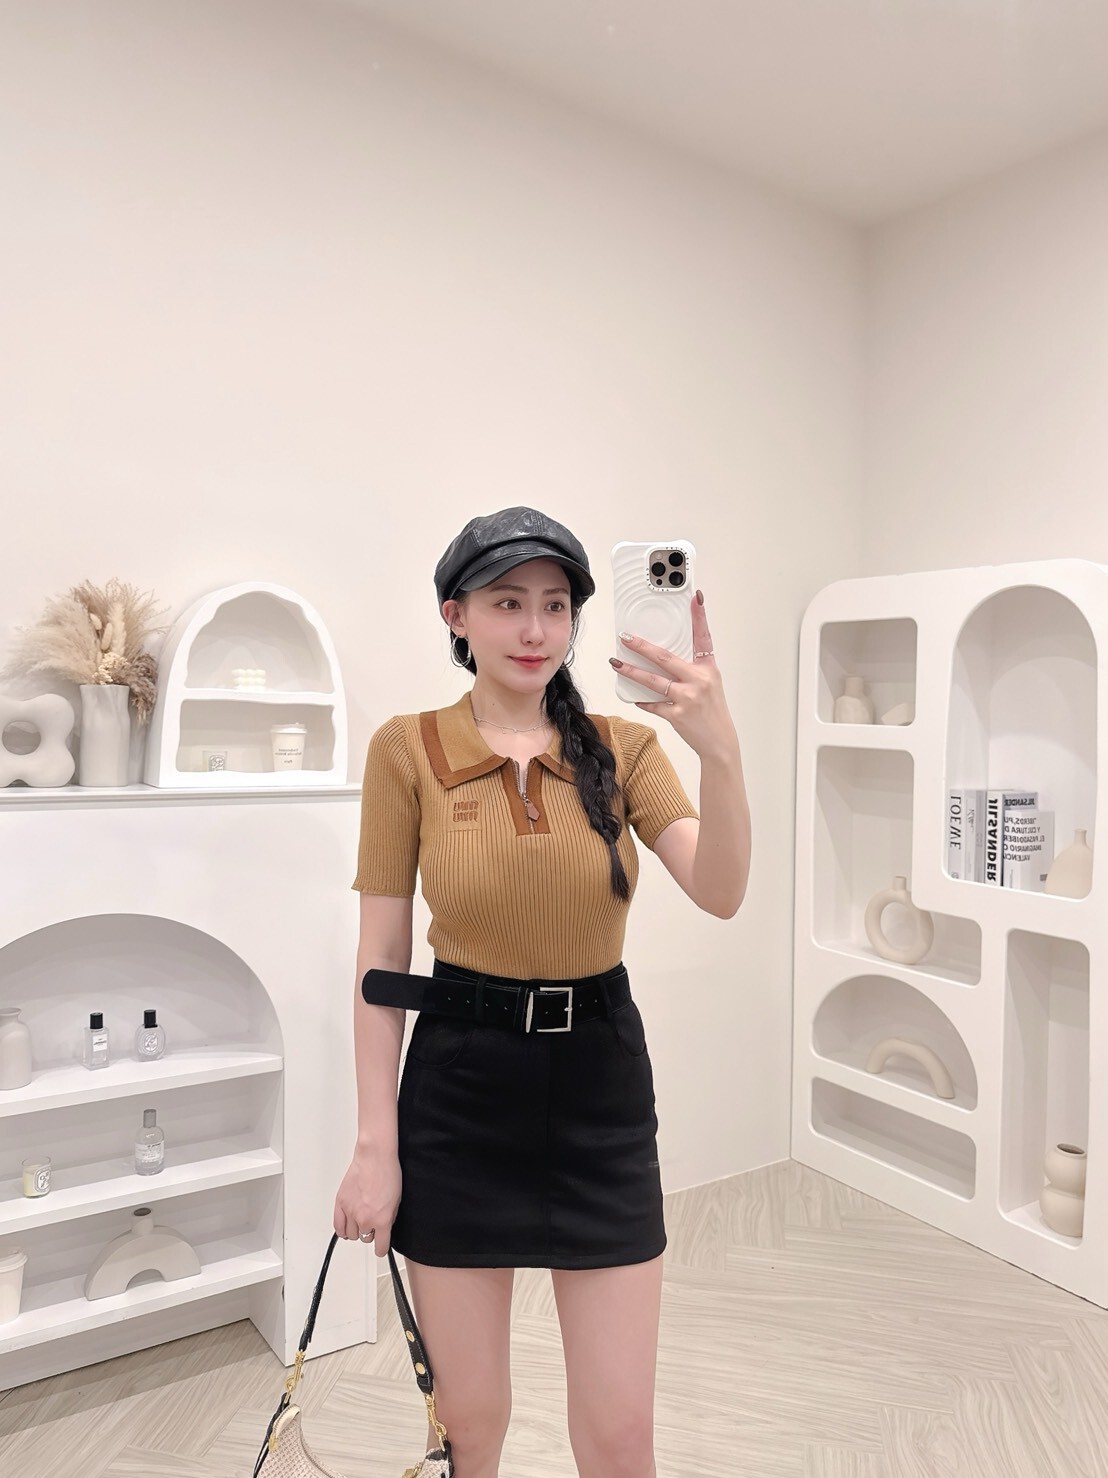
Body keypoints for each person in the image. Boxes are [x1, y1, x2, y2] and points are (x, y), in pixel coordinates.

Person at [333, 507, 750, 1478]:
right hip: (460, 1090)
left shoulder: (623, 749)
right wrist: (374, 1147)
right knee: (467, 1423)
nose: (534, 629)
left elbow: (721, 889)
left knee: (619, 1435)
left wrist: (720, 749)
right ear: (456, 615)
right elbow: (380, 959)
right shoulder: (406, 750)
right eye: (507, 602)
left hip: (599, 1088)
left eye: (555, 606)